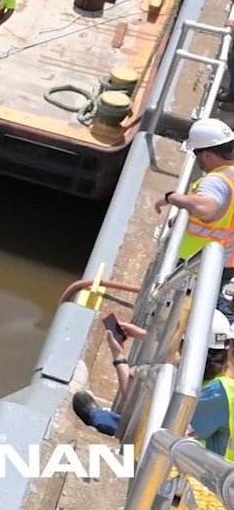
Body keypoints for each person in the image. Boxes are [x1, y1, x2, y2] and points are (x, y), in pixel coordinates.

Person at [74, 310, 234, 459]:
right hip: (206, 466)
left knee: (139, 421)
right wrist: (145, 335)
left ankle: (97, 416)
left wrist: (119, 356)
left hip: (190, 473)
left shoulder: (214, 392)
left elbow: (136, 406)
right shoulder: (222, 378)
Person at [158, 118, 234, 315]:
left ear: (207, 154)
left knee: (179, 306)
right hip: (227, 260)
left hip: (197, 260)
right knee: (211, 305)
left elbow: (206, 208)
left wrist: (172, 197)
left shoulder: (217, 180)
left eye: (195, 152)